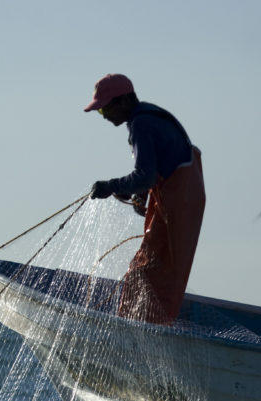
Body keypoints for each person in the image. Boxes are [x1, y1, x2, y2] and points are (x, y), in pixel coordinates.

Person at [84, 74, 205, 324]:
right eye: (100, 111)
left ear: (125, 100)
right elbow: (159, 166)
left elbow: (145, 176)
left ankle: (141, 329)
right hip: (183, 198)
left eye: (106, 107)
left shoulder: (141, 124)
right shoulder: (150, 116)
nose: (105, 115)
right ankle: (149, 323)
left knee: (149, 271)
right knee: (157, 269)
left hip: (179, 202)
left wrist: (111, 186)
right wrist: (140, 193)